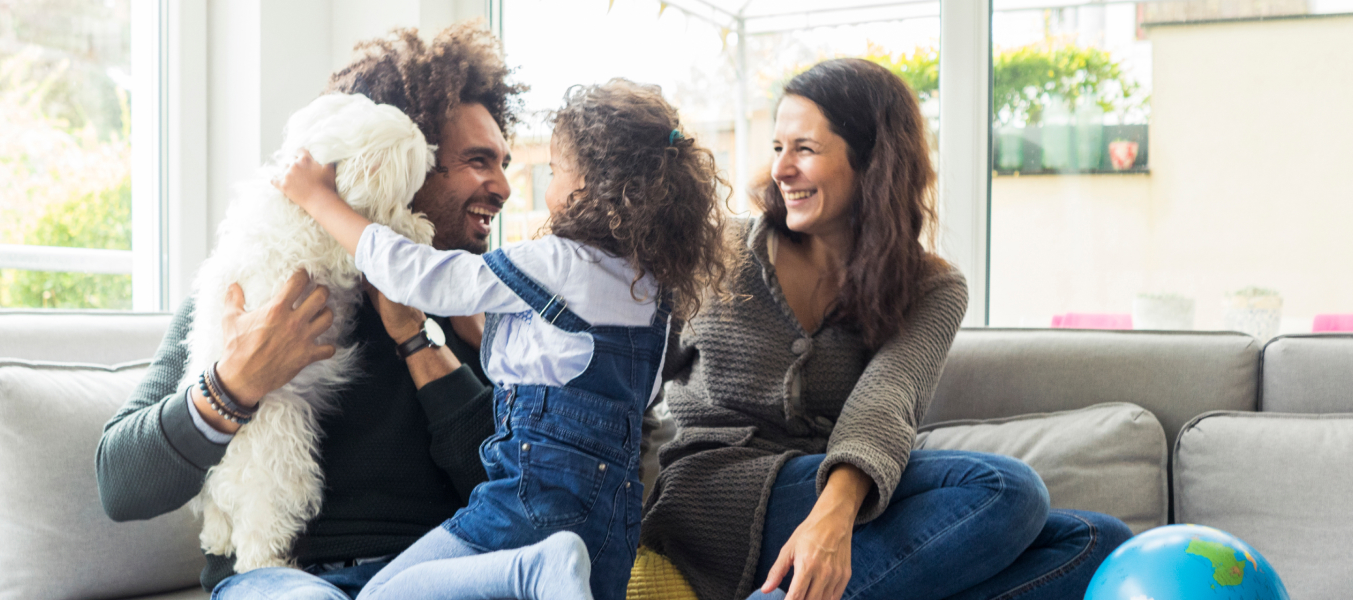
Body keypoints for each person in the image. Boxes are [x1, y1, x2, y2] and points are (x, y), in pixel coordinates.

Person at [640, 58, 1134, 600]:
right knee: (1008, 490)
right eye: (778, 147)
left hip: (844, 505)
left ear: (872, 160)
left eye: (805, 149)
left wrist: (832, 519)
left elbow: (885, 400)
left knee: (1099, 542)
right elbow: (629, 376)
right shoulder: (715, 252)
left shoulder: (930, 286)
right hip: (714, 501)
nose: (781, 169)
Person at [94, 22, 527, 600]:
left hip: (424, 572)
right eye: (478, 161)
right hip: (279, 579)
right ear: (400, 161)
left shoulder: (483, 311)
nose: (503, 186)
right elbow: (120, 484)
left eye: (503, 162)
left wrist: (416, 337)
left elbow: (514, 493)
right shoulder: (251, 286)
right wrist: (236, 382)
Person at [275, 79, 728, 600]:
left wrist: (318, 197)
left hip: (530, 501)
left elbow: (416, 275)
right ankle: (541, 569)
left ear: (586, 185)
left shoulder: (555, 261)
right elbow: (618, 386)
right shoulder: (653, 294)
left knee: (381, 596)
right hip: (612, 522)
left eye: (553, 171)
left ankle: (528, 569)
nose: (527, 187)